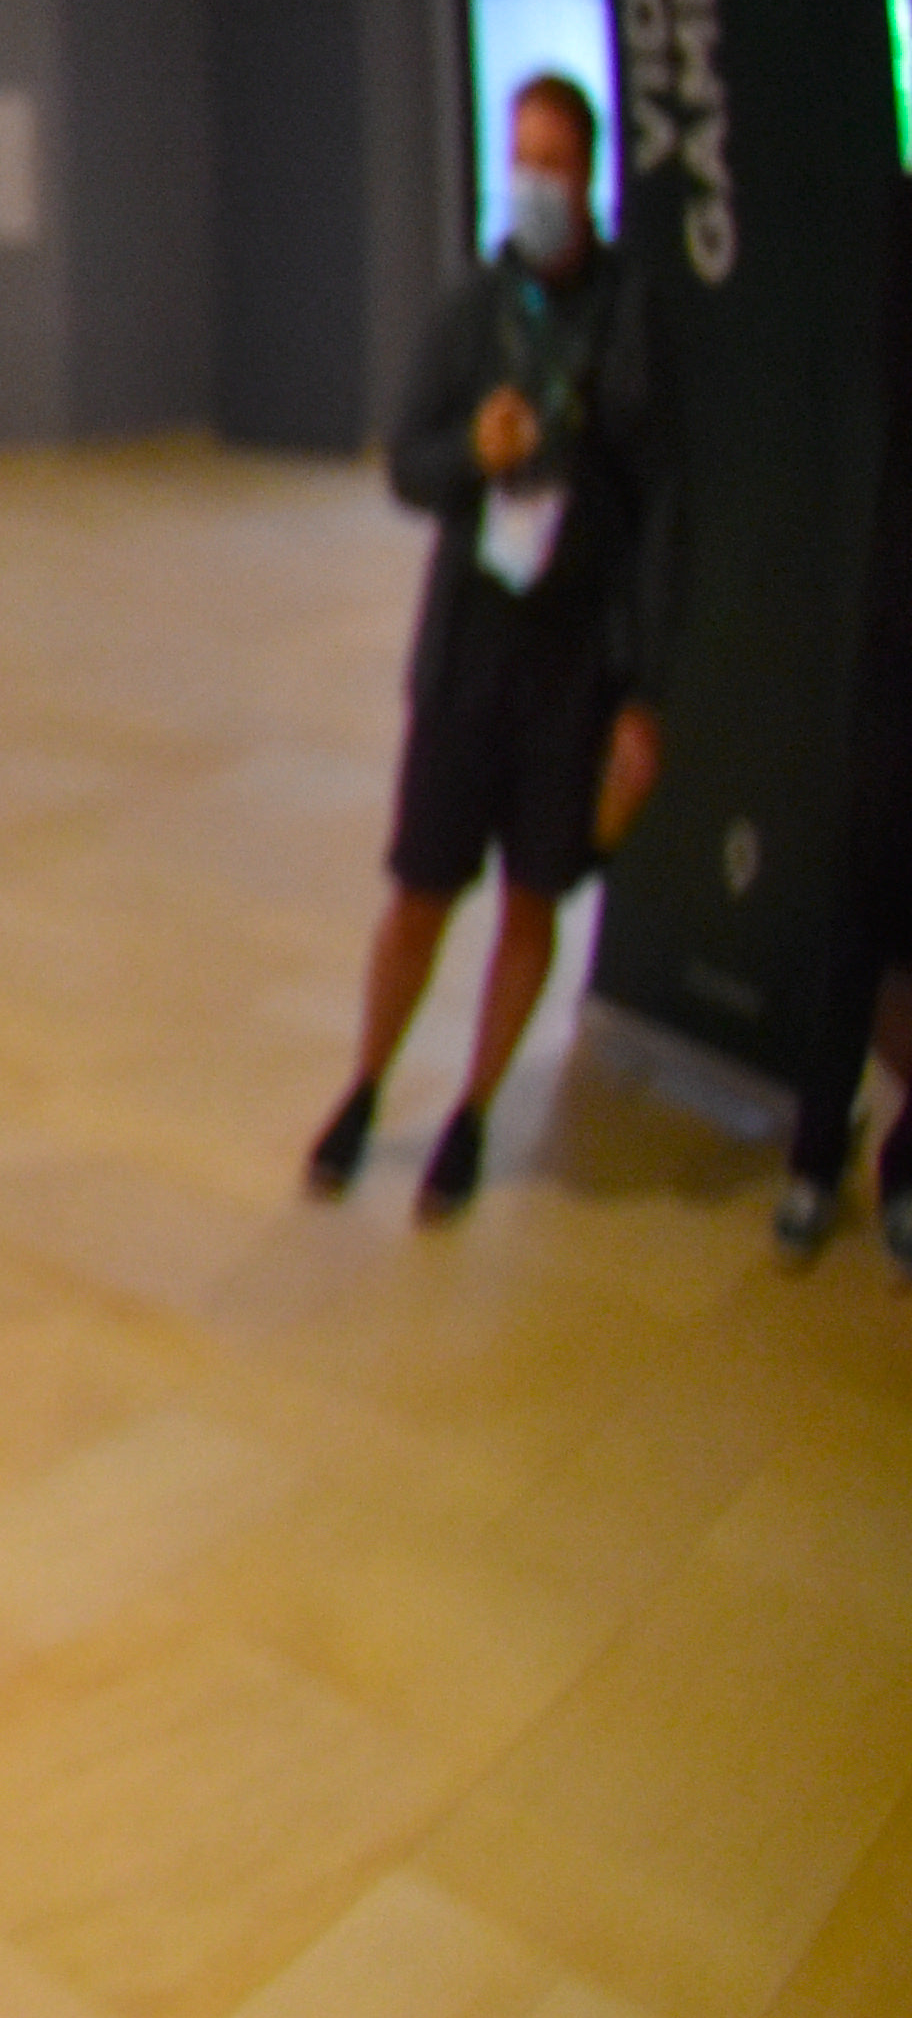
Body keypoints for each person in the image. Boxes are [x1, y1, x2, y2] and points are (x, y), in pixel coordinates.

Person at [309, 69, 672, 1222]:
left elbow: (658, 508)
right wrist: (473, 449)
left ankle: (471, 1112)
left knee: (531, 898)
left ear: (589, 172)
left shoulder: (628, 313)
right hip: (470, 650)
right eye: (520, 162)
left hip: (573, 666)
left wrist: (643, 693)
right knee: (420, 888)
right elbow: (406, 465)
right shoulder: (471, 309)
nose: (533, 185)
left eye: (551, 163)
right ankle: (365, 1086)